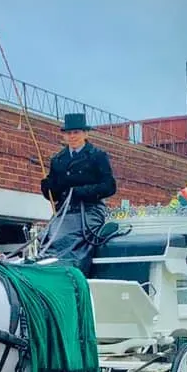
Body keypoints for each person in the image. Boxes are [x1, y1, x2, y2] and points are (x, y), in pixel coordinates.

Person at [38, 112, 116, 275]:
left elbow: (109, 186)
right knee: (46, 239)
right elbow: (54, 195)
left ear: (85, 133)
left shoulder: (97, 156)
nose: (72, 136)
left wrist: (82, 192)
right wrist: (47, 188)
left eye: (76, 132)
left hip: (89, 209)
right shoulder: (58, 160)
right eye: (69, 133)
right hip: (64, 212)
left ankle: (73, 274)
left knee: (70, 241)